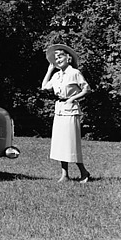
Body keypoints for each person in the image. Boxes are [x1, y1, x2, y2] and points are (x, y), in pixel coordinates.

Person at [41, 44, 92, 183]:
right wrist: (49, 70)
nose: (57, 59)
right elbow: (44, 87)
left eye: (60, 56)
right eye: (55, 58)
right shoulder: (57, 75)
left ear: (68, 58)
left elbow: (86, 89)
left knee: (71, 142)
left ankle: (84, 172)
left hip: (71, 110)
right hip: (59, 110)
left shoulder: (74, 73)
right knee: (61, 143)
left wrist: (72, 98)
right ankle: (65, 175)